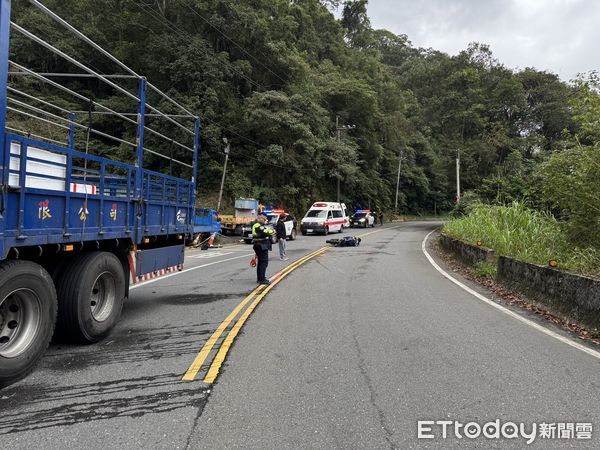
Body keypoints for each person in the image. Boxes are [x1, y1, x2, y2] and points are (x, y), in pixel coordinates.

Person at [252, 215, 275, 285]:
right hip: (261, 245)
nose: (266, 221)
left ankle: (260, 278)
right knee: (263, 263)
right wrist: (272, 231)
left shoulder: (258, 225)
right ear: (261, 219)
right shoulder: (258, 225)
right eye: (265, 219)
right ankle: (262, 279)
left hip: (260, 245)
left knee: (261, 262)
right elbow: (264, 232)